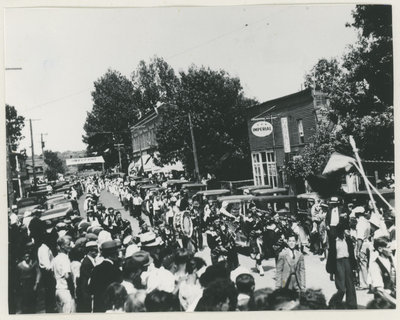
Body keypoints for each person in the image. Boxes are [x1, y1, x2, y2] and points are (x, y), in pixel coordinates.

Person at [326, 223, 357, 309]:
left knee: (350, 285)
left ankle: (352, 305)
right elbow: (331, 257)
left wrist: (354, 267)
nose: (348, 232)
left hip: (347, 262)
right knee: (342, 288)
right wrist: (331, 272)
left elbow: (351, 255)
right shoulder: (334, 241)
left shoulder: (348, 240)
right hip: (338, 263)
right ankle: (333, 302)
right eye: (346, 230)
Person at [89, 240, 123, 312]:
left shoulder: (96, 269)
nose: (118, 256)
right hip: (110, 306)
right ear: (112, 255)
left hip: (98, 306)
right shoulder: (115, 270)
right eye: (117, 254)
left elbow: (91, 288)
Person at [368, 237, 396, 307]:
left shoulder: (391, 258)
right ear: (380, 249)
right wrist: (395, 302)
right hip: (383, 302)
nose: (391, 249)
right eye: (388, 247)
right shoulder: (375, 265)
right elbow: (380, 291)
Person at [53, 236, 76, 313]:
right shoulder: (65, 259)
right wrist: (72, 290)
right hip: (66, 291)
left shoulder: (55, 258)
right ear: (62, 246)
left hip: (58, 290)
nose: (70, 246)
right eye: (68, 244)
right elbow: (67, 276)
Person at [76, 241, 98, 312]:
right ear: (89, 251)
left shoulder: (91, 261)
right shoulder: (87, 263)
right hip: (86, 292)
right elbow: (87, 279)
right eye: (94, 250)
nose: (96, 252)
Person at [353, 206, 371, 290]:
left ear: (357, 214)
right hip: (368, 243)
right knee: (367, 264)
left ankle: (364, 284)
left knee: (362, 264)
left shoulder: (360, 223)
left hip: (362, 244)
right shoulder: (367, 222)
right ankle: (368, 282)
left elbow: (359, 238)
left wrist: (357, 249)